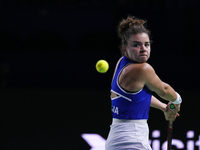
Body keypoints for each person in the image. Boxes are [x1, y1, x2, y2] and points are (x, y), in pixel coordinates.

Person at [105, 15, 182, 150]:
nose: (143, 49)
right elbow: (164, 90)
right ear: (124, 49)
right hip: (132, 141)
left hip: (116, 139)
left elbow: (138, 97)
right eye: (136, 45)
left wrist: (164, 107)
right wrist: (177, 100)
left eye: (146, 44)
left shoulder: (121, 64)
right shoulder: (142, 69)